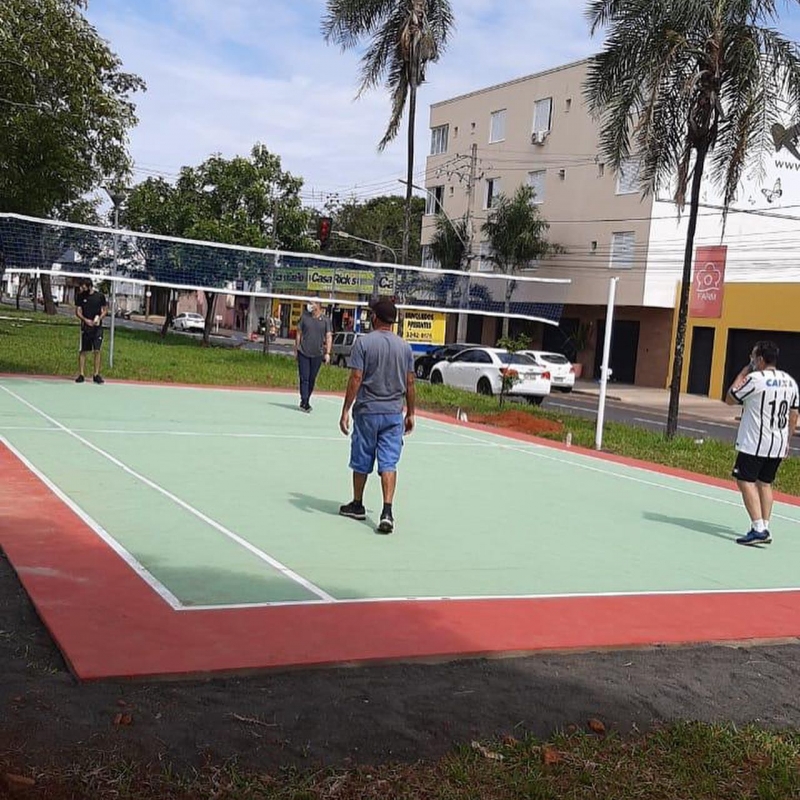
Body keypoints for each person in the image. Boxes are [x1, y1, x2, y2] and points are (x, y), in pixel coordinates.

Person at [338, 298, 415, 534]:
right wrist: (411, 412)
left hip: (368, 411)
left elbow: (356, 378)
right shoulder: (405, 347)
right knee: (389, 462)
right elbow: (410, 383)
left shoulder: (364, 343)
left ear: (375, 318)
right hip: (393, 414)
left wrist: (346, 409)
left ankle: (358, 504)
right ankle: (387, 511)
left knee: (362, 458)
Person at [726, 340, 799, 545]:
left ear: (759, 359)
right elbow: (794, 415)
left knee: (744, 480)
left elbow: (731, 398)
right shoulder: (790, 381)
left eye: (752, 357)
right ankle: (765, 525)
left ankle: (758, 527)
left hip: (755, 442)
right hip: (777, 442)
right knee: (765, 483)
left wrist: (744, 371)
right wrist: (787, 441)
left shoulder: (755, 379)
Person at [295, 300, 332, 412]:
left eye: (312, 303)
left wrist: (328, 353)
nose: (309, 305)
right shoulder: (304, 317)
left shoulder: (325, 320)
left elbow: (329, 336)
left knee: (312, 378)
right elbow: (298, 333)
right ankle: (304, 400)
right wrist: (297, 348)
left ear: (318, 306)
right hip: (304, 352)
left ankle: (307, 398)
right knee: (304, 377)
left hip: (317, 354)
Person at [74, 278, 108, 384]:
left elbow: (105, 310)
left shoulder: (100, 296)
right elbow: (78, 311)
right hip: (86, 327)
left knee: (97, 350)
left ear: (89, 286)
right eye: (81, 287)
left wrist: (99, 318)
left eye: (84, 287)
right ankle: (81, 374)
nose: (82, 289)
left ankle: (96, 374)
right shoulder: (80, 296)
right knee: (83, 351)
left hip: (97, 328)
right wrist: (85, 320)